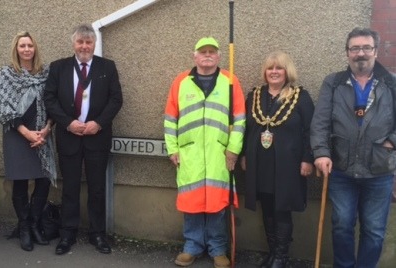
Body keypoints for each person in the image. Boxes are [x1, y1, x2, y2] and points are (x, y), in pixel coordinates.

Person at [311, 27, 396, 268]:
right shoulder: (334, 82)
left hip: (379, 170)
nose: (361, 53)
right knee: (341, 225)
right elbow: (320, 123)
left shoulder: (391, 83)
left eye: (366, 47)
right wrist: (321, 153)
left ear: (376, 51)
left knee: (375, 230)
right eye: (355, 48)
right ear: (347, 53)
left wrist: (392, 142)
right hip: (341, 169)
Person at [164, 37, 245, 268]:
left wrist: (233, 149)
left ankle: (218, 249)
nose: (207, 55)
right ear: (195, 56)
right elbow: (170, 119)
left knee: (218, 203)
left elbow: (239, 119)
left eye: (212, 51)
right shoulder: (181, 81)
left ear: (219, 56)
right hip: (189, 155)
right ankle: (192, 246)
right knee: (192, 202)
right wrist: (172, 148)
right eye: (203, 51)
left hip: (220, 154)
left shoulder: (230, 81)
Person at [44, 23, 123, 255]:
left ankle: (97, 233)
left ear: (94, 44)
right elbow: (49, 99)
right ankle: (67, 233)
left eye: (89, 42)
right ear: (74, 44)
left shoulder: (107, 67)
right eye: (80, 42)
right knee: (69, 187)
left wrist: (98, 123)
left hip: (96, 137)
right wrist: (68, 122)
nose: (84, 46)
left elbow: (116, 100)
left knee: (97, 188)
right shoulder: (58, 67)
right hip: (69, 136)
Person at [241, 51, 314, 268]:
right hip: (260, 163)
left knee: (282, 207)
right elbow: (246, 129)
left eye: (279, 68)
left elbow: (310, 130)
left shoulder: (300, 97)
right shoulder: (255, 95)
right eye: (270, 68)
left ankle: (282, 257)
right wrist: (245, 154)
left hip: (288, 165)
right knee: (267, 206)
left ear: (286, 71)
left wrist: (308, 158)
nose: (274, 72)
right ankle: (273, 252)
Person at [0, 31, 57, 252]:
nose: (26, 49)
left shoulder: (46, 73)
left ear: (35, 48)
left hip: (43, 133)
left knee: (43, 180)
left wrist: (47, 129)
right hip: (16, 133)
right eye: (22, 46)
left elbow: (53, 102)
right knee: (20, 181)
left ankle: (34, 223)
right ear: (16, 49)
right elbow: (4, 107)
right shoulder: (6, 73)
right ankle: (23, 227)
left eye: (30, 45)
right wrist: (26, 132)